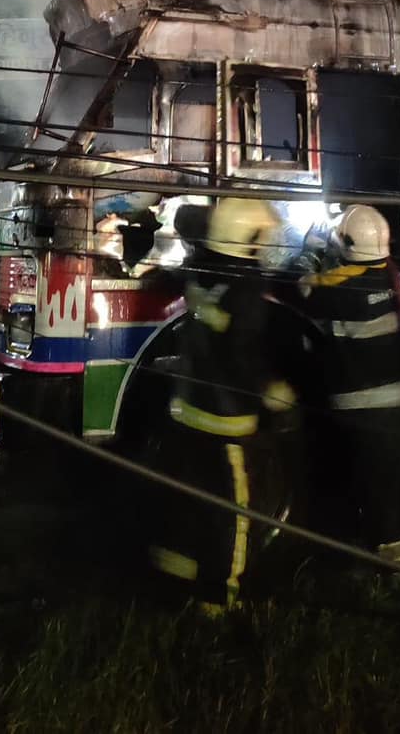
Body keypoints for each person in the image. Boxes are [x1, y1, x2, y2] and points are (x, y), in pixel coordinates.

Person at [148, 197, 295, 610]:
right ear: (246, 237)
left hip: (187, 410)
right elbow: (240, 351)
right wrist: (271, 390)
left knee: (186, 501)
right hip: (227, 420)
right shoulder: (247, 285)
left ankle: (174, 583)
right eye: (261, 238)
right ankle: (221, 600)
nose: (266, 244)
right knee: (234, 513)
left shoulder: (199, 268)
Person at [299, 205, 400, 566]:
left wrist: (310, 255)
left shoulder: (337, 286)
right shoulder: (391, 277)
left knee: (380, 494)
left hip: (368, 412)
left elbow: (304, 291)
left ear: (346, 244)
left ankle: (393, 573)